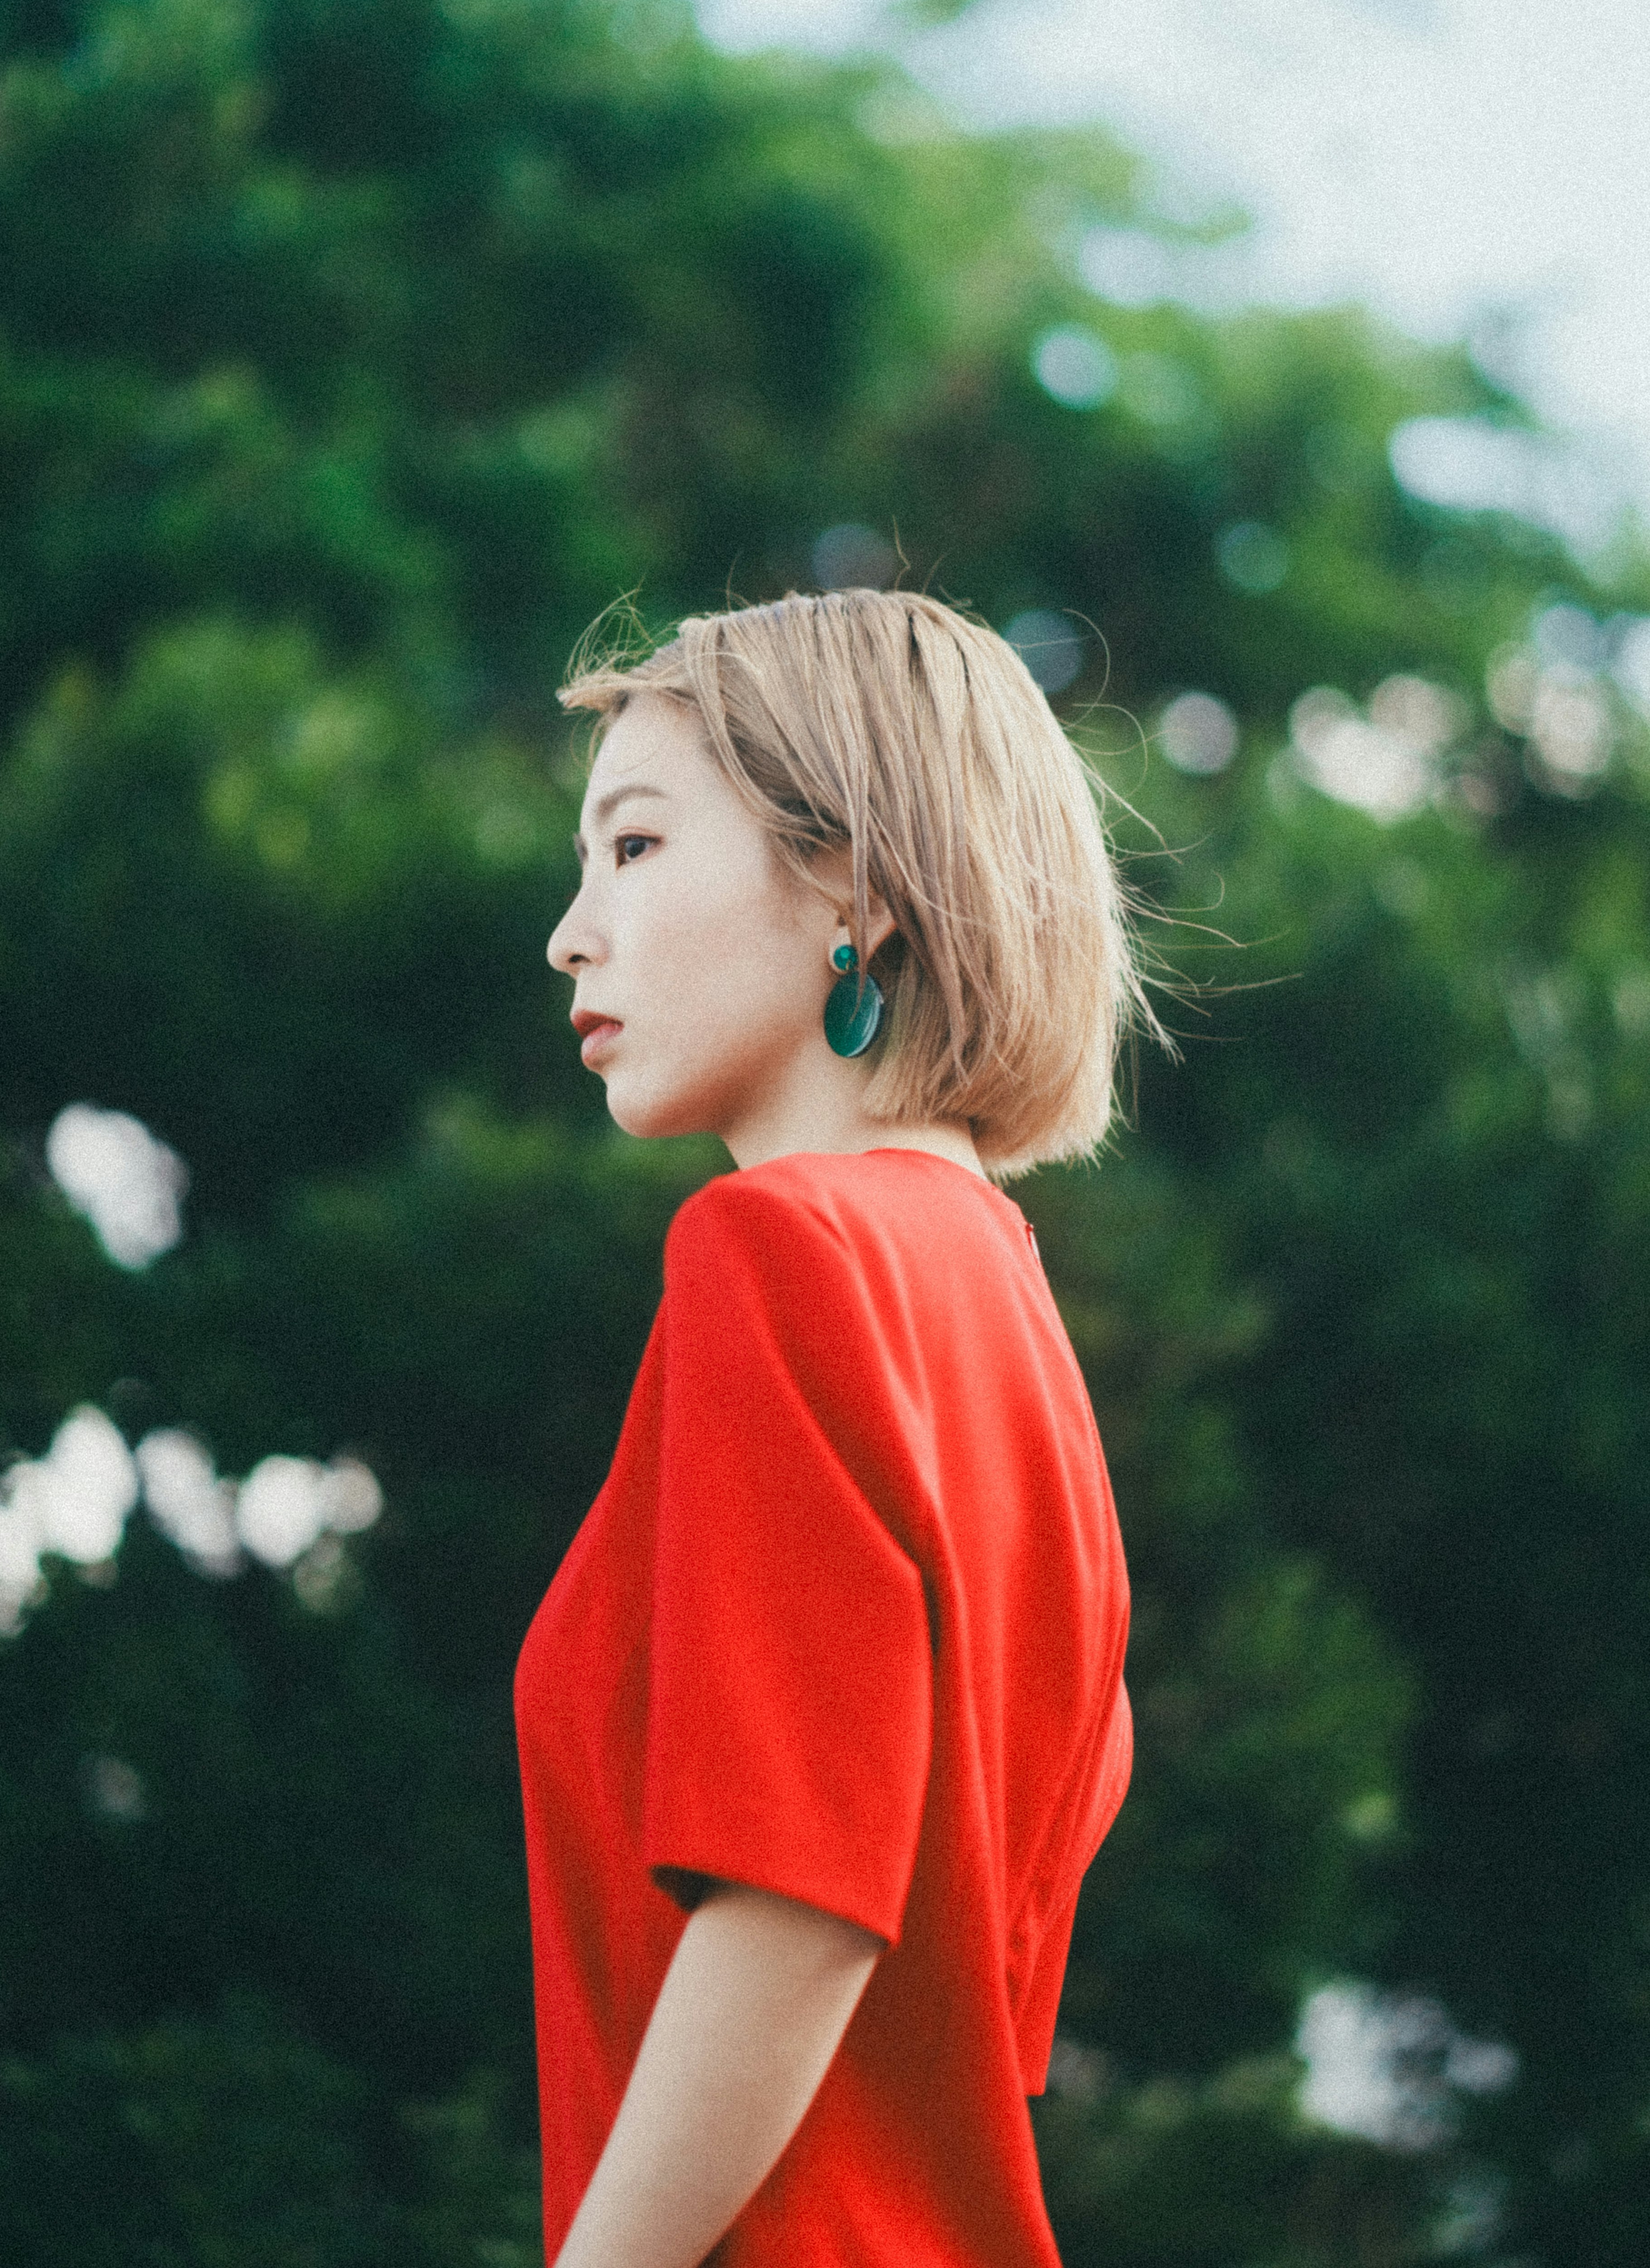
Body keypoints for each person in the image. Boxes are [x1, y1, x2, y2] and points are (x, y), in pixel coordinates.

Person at [518, 587, 1151, 2268]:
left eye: (634, 848)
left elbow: (800, 1901)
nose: (572, 934)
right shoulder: (1008, 1317)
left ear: (854, 879)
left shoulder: (778, 1253)